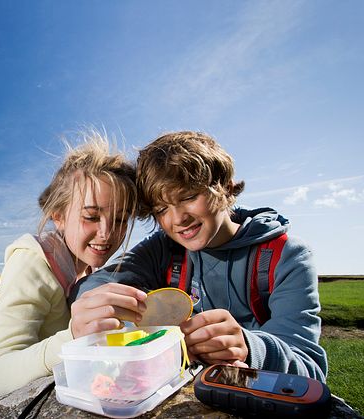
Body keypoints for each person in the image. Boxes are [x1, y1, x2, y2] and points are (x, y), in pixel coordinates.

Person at [70, 131, 328, 381]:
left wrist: (251, 347)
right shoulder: (164, 248)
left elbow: (309, 368)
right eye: (162, 209)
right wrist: (94, 304)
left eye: (189, 197)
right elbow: (99, 282)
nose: (178, 219)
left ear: (225, 187)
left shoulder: (288, 256)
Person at [0, 130, 139, 404]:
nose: (107, 233)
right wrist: (73, 337)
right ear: (58, 216)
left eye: (120, 220)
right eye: (91, 216)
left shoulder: (89, 270)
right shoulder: (31, 263)